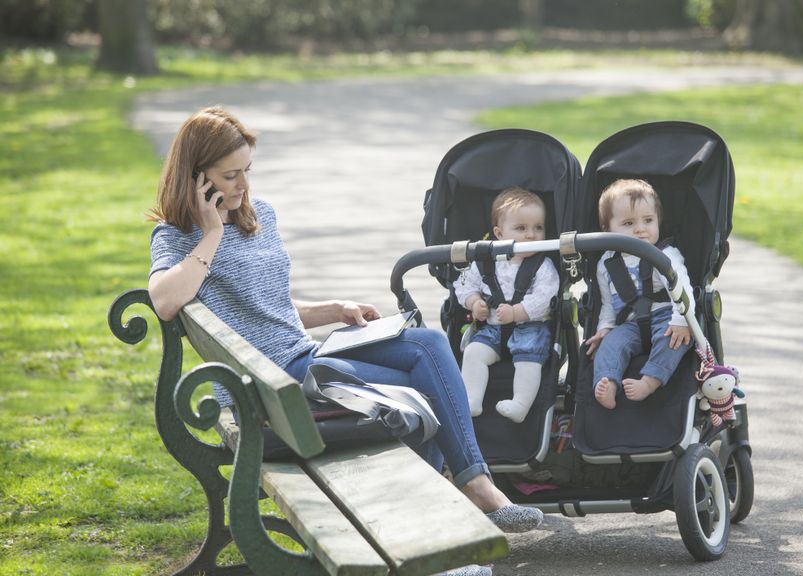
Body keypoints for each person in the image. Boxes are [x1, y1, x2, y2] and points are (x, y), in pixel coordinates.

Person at [146, 107, 543, 548]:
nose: (243, 184)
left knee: (427, 344)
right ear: (198, 179)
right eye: (229, 175)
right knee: (421, 399)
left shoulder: (261, 216)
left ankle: (472, 489)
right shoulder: (178, 234)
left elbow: (267, 305)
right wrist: (211, 233)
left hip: (306, 358)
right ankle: (437, 543)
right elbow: (164, 302)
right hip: (269, 385)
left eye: (247, 171)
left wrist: (334, 308)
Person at [585, 179, 694, 410]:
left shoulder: (666, 254)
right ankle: (607, 383)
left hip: (666, 317)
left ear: (658, 221)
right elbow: (607, 304)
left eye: (648, 220)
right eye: (628, 223)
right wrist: (604, 329)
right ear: (607, 229)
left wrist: (681, 319)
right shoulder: (606, 263)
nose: (640, 229)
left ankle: (649, 381)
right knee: (609, 347)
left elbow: (683, 288)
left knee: (673, 342)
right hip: (630, 324)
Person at [454, 187, 558, 423]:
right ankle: (471, 399)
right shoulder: (485, 263)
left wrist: (517, 312)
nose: (531, 235)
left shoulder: (543, 266)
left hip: (530, 326)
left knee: (528, 357)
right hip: (492, 328)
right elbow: (462, 284)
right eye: (521, 228)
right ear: (499, 234)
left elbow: (545, 297)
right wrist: (474, 302)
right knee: (473, 353)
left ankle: (520, 404)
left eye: (538, 228)